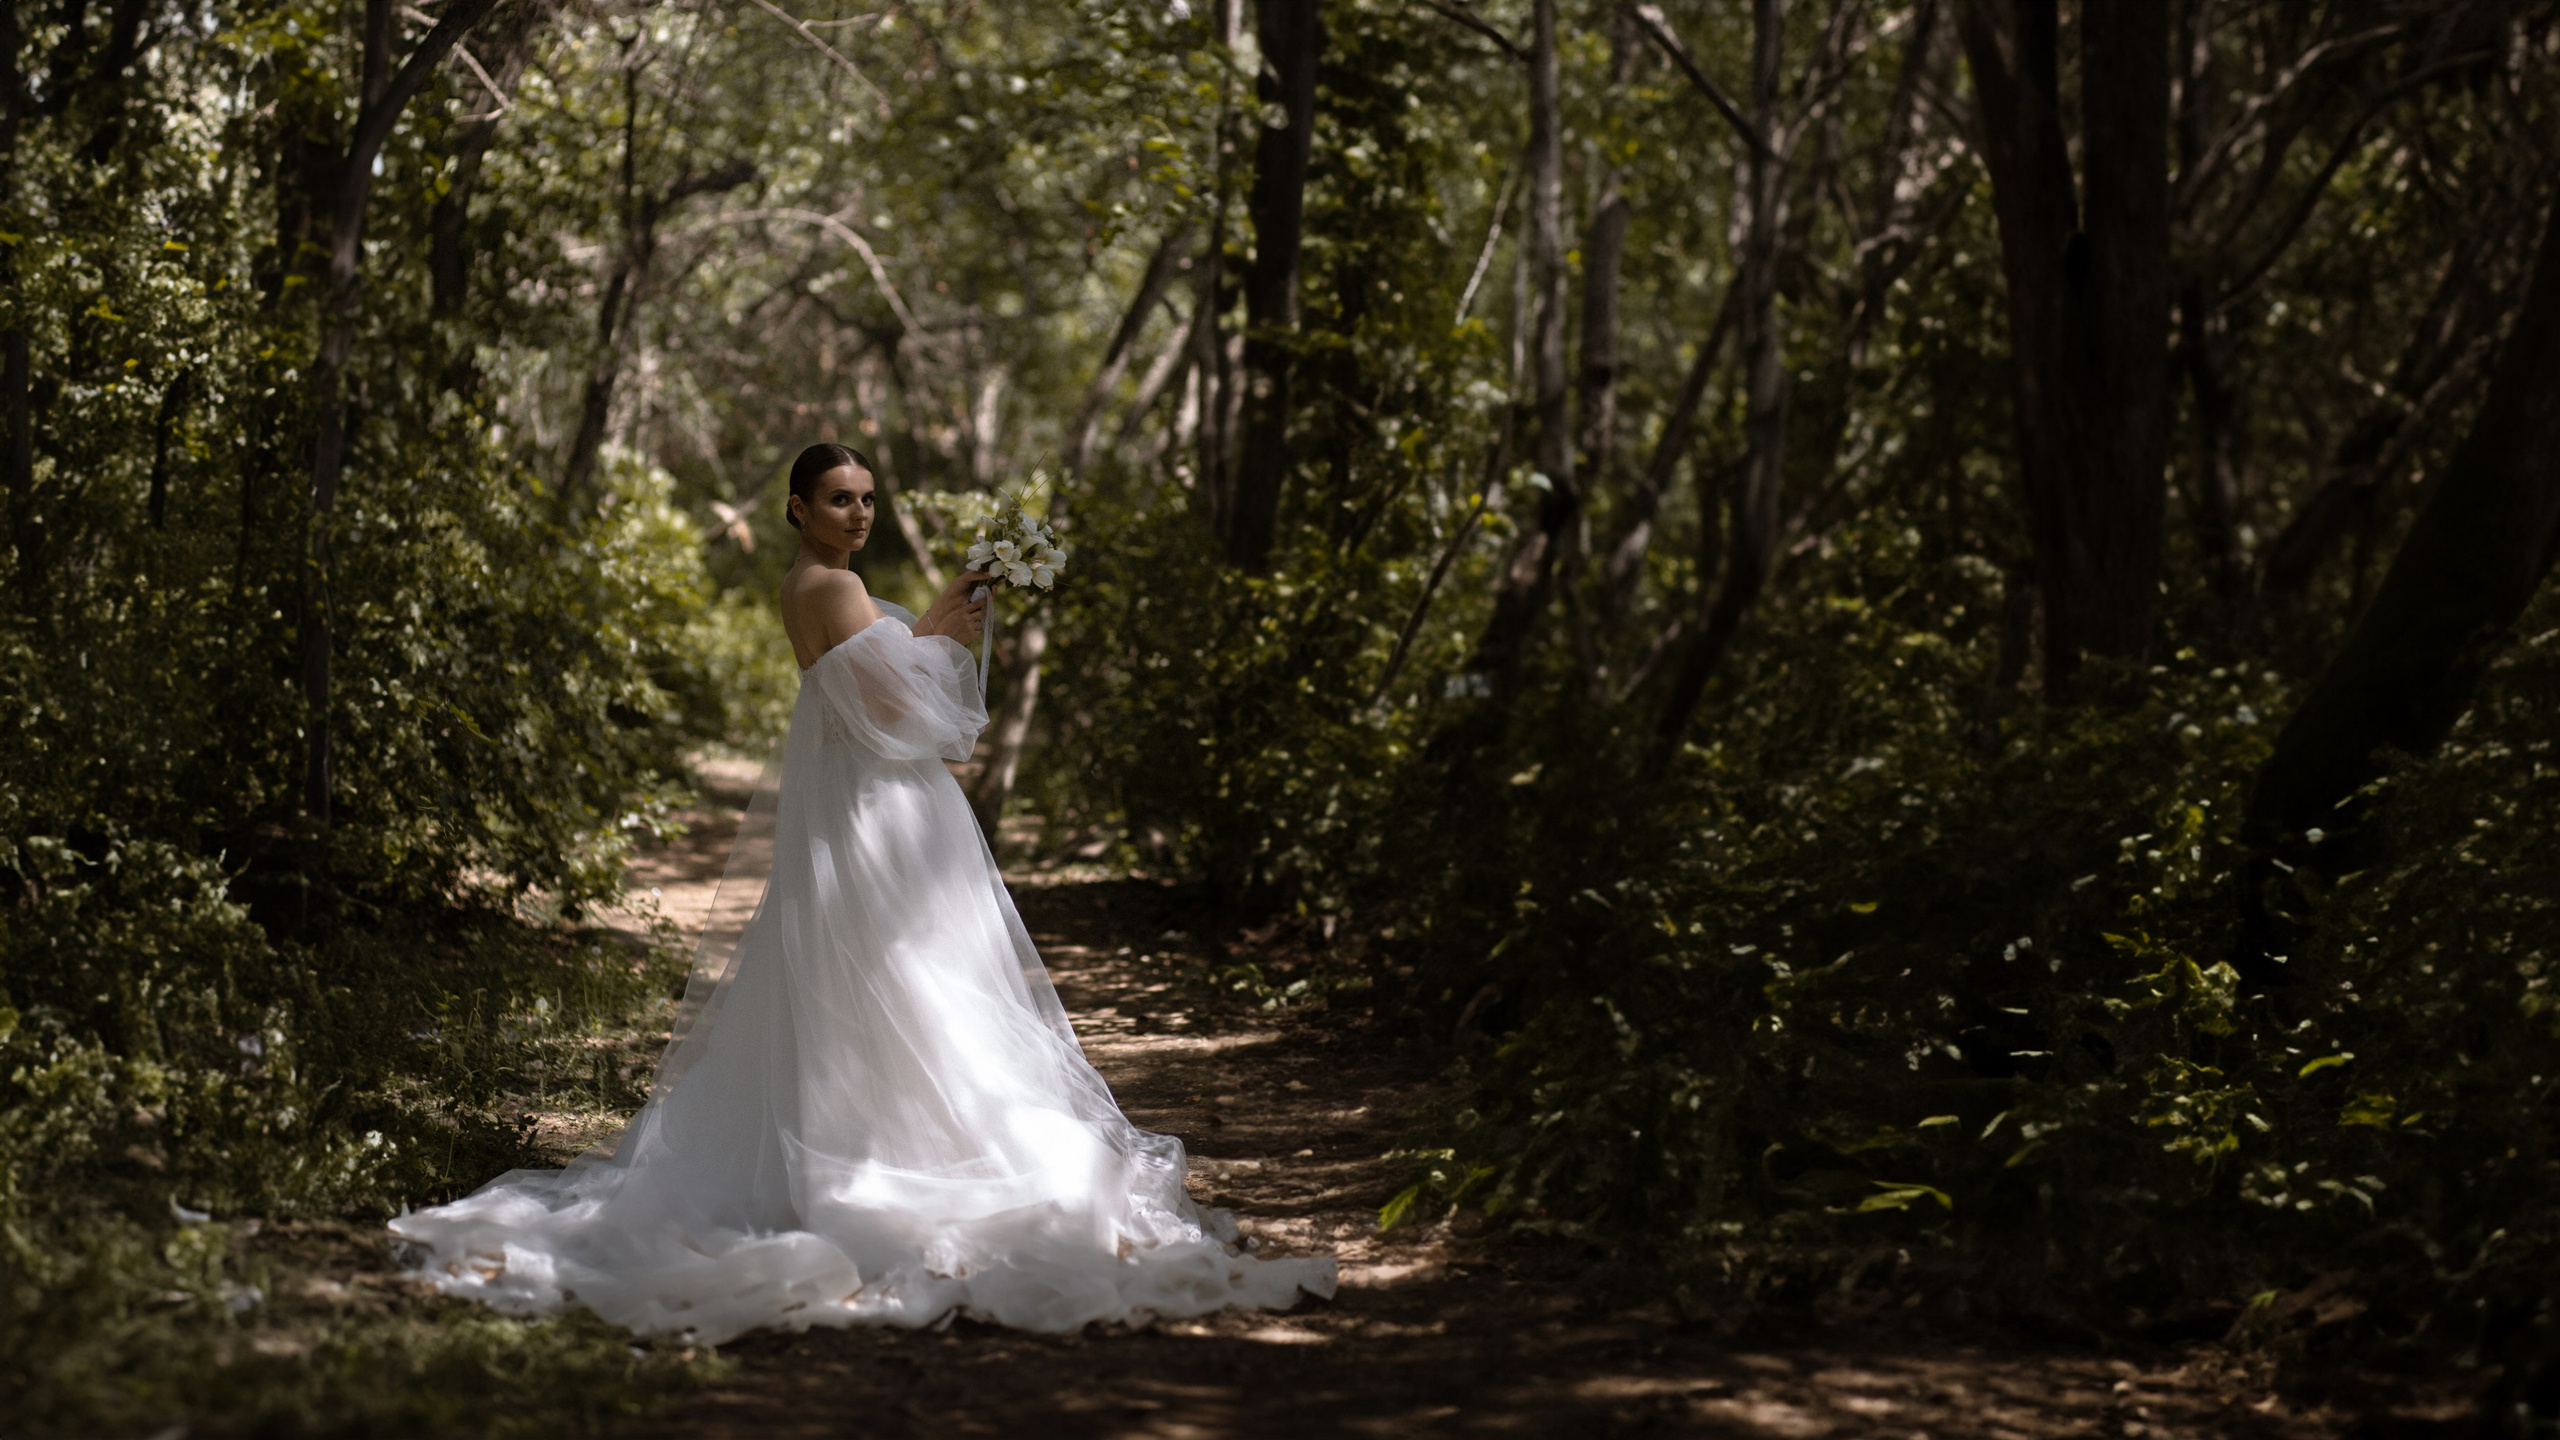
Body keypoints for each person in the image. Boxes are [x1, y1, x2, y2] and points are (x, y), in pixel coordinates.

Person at [392, 443, 1335, 1343]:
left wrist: (924, 631)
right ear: (798, 508)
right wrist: (941, 627)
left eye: (868, 499)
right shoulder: (833, 586)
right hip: (882, 807)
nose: (857, 514)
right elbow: (901, 712)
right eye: (839, 499)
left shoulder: (803, 586)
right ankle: (923, 1156)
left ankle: (879, 1131)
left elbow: (867, 688)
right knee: (918, 977)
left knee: (877, 981)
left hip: (856, 807)